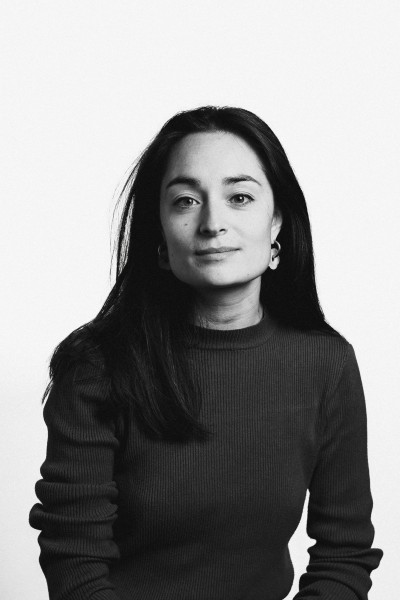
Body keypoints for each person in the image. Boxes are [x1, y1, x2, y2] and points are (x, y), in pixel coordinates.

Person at [29, 105, 383, 600]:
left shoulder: (326, 364)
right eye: (186, 201)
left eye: (239, 197)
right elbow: (75, 562)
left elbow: (344, 555)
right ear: (159, 235)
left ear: (277, 223)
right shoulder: (97, 367)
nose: (213, 222)